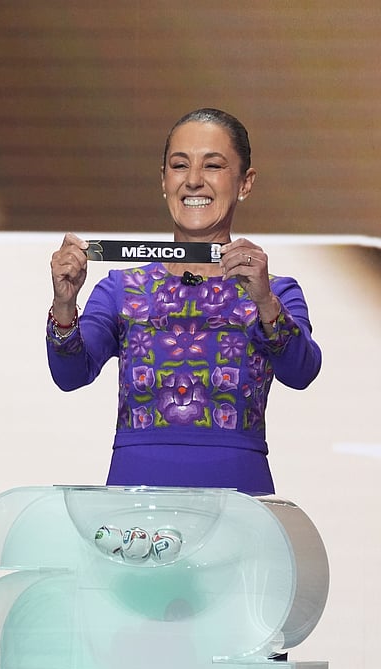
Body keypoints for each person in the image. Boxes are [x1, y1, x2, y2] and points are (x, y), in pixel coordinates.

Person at [46, 108, 321, 495]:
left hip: (240, 500)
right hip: (135, 507)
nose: (193, 181)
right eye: (179, 165)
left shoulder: (277, 292)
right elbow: (70, 375)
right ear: (163, 179)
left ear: (245, 182)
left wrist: (265, 302)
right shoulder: (122, 289)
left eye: (213, 165)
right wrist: (64, 304)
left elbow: (302, 372)